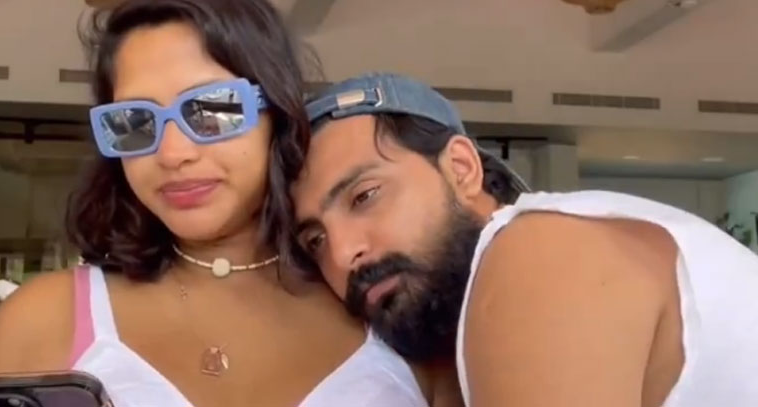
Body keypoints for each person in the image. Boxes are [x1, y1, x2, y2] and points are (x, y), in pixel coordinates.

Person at [0, 3, 430, 406]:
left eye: (210, 110)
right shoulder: (46, 318)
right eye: (135, 121)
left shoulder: (389, 302)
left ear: (276, 113)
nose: (172, 154)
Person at [289, 72, 758, 407]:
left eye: (365, 196)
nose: (343, 254)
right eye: (315, 240)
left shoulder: (540, 253)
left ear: (461, 169)